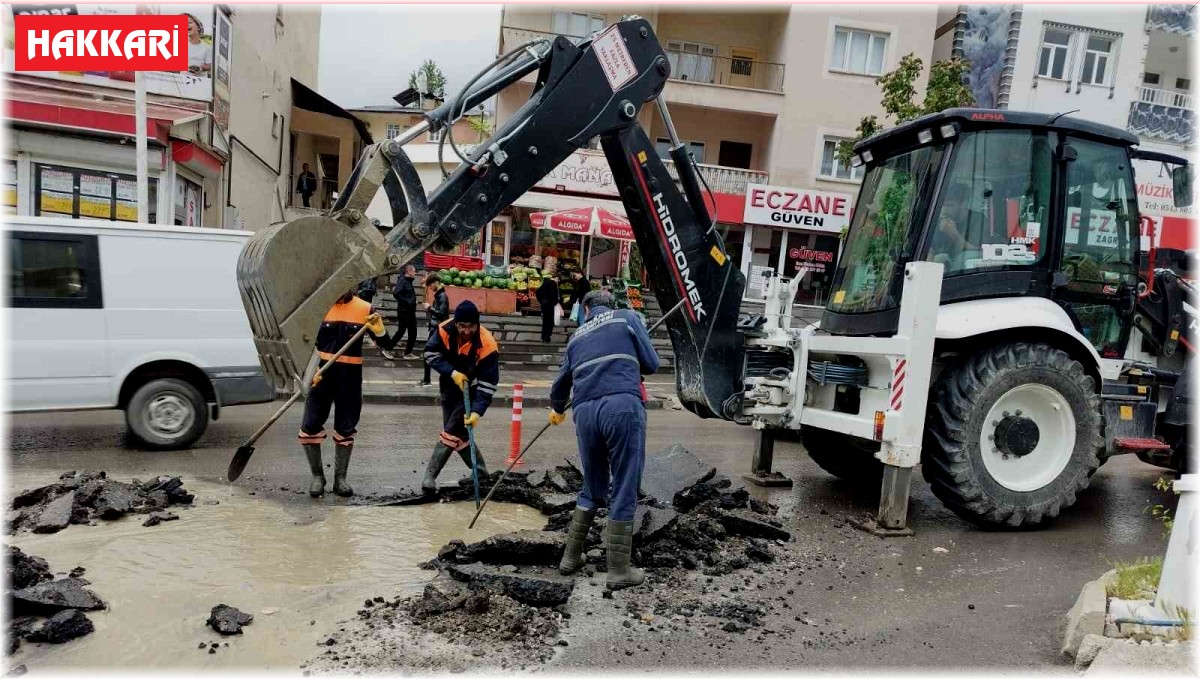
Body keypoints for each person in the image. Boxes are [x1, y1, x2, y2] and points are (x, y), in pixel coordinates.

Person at [548, 290, 660, 591]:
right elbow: (651, 364)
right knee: (624, 482)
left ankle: (570, 559)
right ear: (611, 305)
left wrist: (558, 409)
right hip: (621, 406)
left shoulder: (576, 339)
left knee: (593, 484)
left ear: (586, 309)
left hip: (585, 413)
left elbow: (559, 387)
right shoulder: (628, 317)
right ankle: (618, 570)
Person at [297, 289, 386, 498]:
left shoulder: (365, 308)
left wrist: (379, 330)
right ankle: (318, 477)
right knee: (309, 425)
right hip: (322, 377)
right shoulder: (318, 306)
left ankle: (340, 480)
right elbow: (305, 343)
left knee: (346, 428)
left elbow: (386, 344)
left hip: (350, 379)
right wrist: (307, 372)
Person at [420, 301, 500, 493]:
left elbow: (488, 383)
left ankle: (429, 476)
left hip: (472, 389)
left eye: (471, 326)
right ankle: (480, 472)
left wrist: (477, 411)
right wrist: (452, 372)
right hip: (449, 383)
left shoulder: (487, 343)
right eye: (462, 326)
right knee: (458, 433)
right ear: (455, 323)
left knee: (451, 430)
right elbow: (430, 354)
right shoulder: (443, 330)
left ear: (477, 324)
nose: (466, 331)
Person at [419, 274, 451, 387]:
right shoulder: (439, 296)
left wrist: (429, 308)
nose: (430, 288)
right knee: (429, 353)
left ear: (435, 283)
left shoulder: (442, 296)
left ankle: (427, 380)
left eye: (430, 285)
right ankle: (427, 379)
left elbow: (442, 314)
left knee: (428, 353)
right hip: (435, 329)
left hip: (439, 330)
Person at [381, 265, 419, 361]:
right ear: (409, 271)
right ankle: (387, 349)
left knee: (413, 332)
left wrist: (413, 301)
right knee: (401, 331)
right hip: (404, 311)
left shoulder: (408, 282)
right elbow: (396, 293)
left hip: (410, 311)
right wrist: (408, 302)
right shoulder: (403, 280)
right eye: (414, 271)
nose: (415, 273)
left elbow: (407, 295)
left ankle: (408, 353)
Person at [536, 274, 560, 343]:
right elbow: (553, 295)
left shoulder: (545, 283)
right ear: (556, 278)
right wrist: (556, 302)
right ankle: (547, 336)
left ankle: (543, 336)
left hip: (544, 303)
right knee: (550, 321)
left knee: (545, 320)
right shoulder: (553, 284)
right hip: (550, 304)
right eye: (558, 279)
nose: (558, 281)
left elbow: (538, 292)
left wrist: (541, 300)